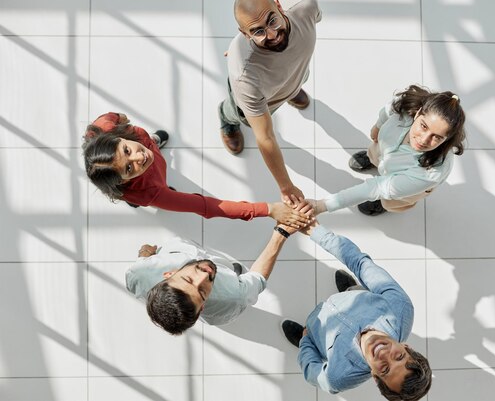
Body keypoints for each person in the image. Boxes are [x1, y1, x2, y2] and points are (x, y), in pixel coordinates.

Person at [281, 220, 432, 400]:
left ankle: (305, 338)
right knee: (356, 290)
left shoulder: (337, 377)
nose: (383, 353)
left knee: (307, 343)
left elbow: (312, 372)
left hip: (315, 333)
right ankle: (349, 290)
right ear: (406, 347)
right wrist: (314, 230)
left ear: (375, 378)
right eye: (399, 357)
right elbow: (361, 263)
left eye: (385, 369)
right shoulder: (400, 307)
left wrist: (306, 343)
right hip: (352, 298)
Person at [82, 111, 309, 227]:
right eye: (129, 168)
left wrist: (120, 118)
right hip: (150, 187)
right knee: (151, 192)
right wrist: (268, 209)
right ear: (124, 181)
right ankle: (132, 197)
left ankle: (153, 141)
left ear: (116, 136)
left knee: (149, 149)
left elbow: (110, 117)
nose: (140, 156)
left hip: (139, 152)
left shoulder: (103, 129)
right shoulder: (150, 192)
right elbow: (208, 206)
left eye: (127, 150)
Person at [218, 0, 321, 205]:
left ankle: (291, 93)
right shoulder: (244, 76)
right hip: (262, 98)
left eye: (272, 20)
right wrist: (286, 186)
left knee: (297, 82)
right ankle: (226, 121)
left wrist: (291, 85)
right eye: (258, 32)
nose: (272, 35)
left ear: (279, 6)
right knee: (235, 114)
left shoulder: (304, 3)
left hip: (295, 76)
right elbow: (265, 137)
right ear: (245, 35)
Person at [309, 85, 466, 216]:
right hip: (384, 151)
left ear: (446, 139)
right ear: (417, 112)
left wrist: (323, 205)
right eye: (423, 126)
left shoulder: (431, 173)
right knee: (376, 153)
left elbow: (377, 187)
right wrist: (378, 127)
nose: (424, 140)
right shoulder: (406, 105)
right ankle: (372, 161)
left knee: (394, 199)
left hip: (409, 183)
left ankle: (382, 204)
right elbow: (387, 111)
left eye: (437, 137)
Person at [126, 221, 299, 334]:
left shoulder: (139, 272)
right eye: (202, 292)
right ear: (202, 308)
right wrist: (281, 233)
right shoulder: (234, 296)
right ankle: (234, 271)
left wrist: (145, 254)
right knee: (236, 274)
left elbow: (139, 264)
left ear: (168, 274)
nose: (205, 274)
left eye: (188, 279)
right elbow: (257, 278)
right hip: (231, 289)